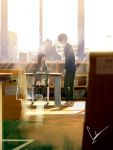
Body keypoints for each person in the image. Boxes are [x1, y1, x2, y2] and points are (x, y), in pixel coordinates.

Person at [58, 33, 76, 106]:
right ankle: (71, 101)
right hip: (73, 67)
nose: (60, 42)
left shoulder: (66, 46)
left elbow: (67, 59)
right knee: (71, 85)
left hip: (69, 68)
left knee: (66, 85)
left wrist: (65, 69)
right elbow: (72, 58)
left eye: (60, 40)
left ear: (63, 39)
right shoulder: (69, 46)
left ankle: (68, 100)